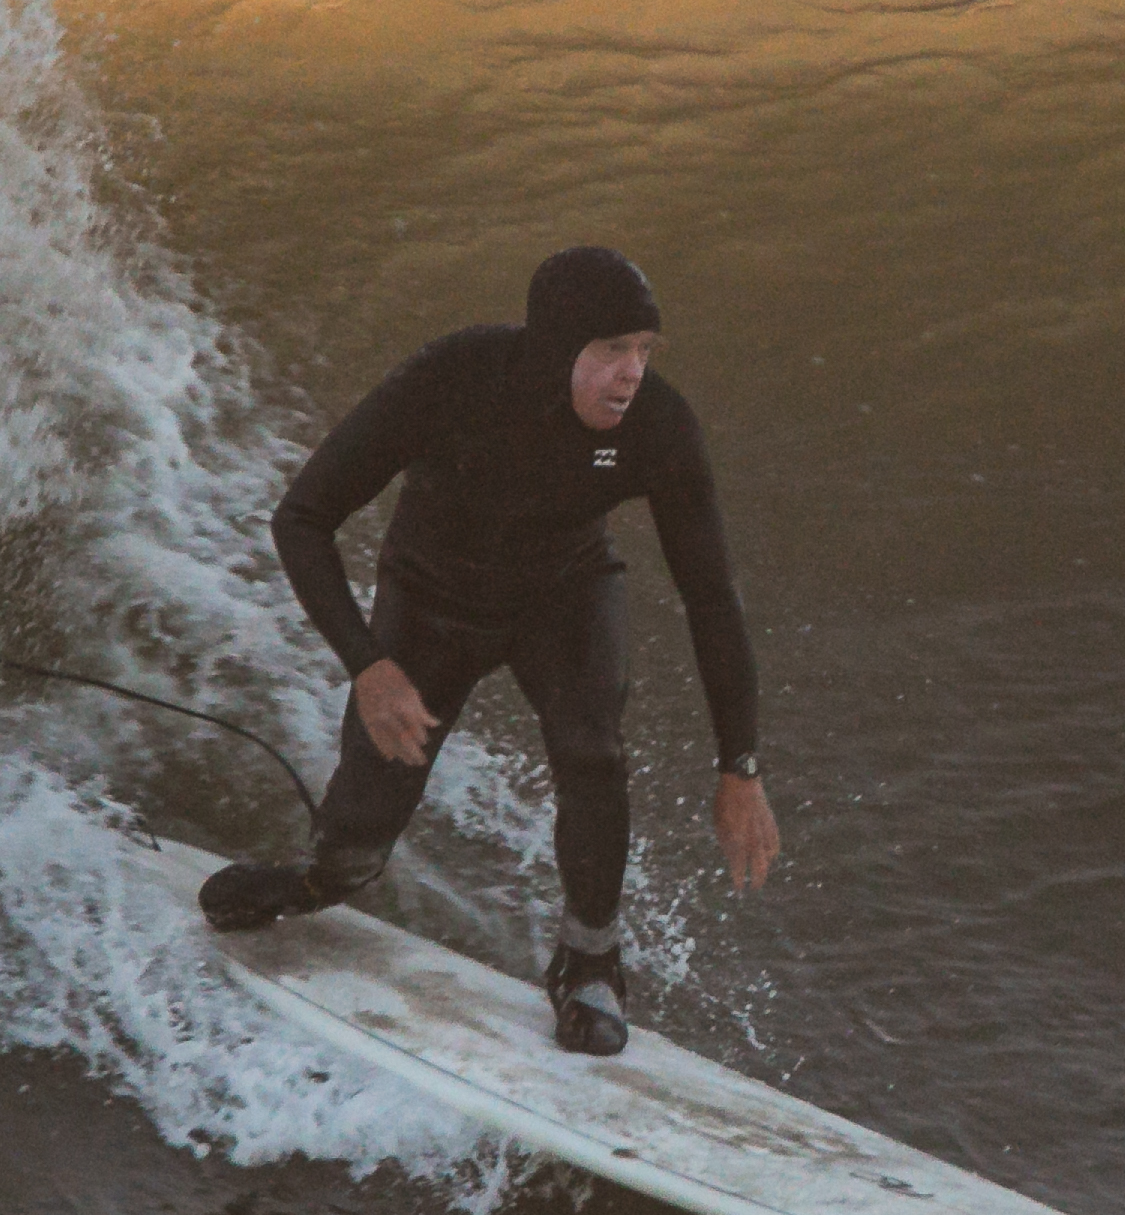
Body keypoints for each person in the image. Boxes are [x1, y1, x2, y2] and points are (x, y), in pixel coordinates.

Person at [198, 246, 780, 1054]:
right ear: (557, 349)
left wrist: (739, 766)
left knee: (592, 751)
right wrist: (369, 665)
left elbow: (712, 598)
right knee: (361, 838)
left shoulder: (655, 429)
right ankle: (320, 880)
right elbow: (302, 517)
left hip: (564, 594)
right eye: (611, 350)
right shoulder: (455, 379)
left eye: (644, 350)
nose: (632, 373)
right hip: (432, 596)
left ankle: (590, 963)